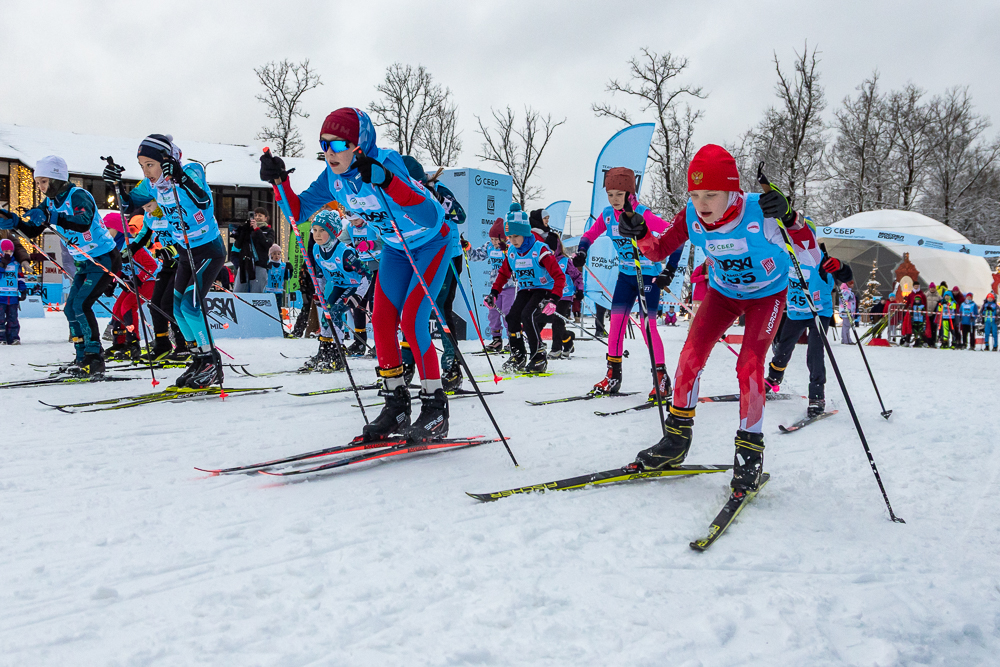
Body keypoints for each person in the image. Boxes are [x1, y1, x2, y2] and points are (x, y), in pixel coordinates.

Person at [259, 107, 452, 442]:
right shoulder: (332, 179)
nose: (329, 152)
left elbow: (429, 214)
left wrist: (388, 181)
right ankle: (396, 404)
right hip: (395, 248)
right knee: (380, 320)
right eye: (324, 144)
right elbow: (298, 212)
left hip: (430, 242)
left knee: (412, 320)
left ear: (359, 145)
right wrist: (280, 182)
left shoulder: (386, 163)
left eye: (338, 144)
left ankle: (435, 408)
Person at [616, 144, 799, 495]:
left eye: (711, 194)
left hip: (767, 294)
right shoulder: (691, 216)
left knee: (749, 364)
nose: (702, 203)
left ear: (732, 190)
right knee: (689, 358)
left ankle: (749, 455)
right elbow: (658, 250)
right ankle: (676, 441)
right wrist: (640, 233)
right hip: (723, 294)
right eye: (696, 194)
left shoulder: (761, 212)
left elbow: (807, 246)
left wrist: (791, 218)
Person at [105, 134, 227, 388]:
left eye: (150, 164)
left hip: (207, 250)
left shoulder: (190, 171)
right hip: (185, 253)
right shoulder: (151, 186)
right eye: (142, 165)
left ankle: (211, 362)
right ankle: (198, 357)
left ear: (166, 160)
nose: (146, 171)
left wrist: (180, 176)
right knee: (177, 307)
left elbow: (204, 201)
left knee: (192, 307)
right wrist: (116, 185)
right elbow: (128, 204)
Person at [1, 155, 121, 374]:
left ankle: (95, 358)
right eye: (38, 183)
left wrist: (51, 216)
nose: (40, 187)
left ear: (57, 178)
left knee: (81, 305)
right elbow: (34, 230)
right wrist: (16, 222)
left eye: (43, 182)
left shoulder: (79, 195)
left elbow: (83, 223)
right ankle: (81, 355)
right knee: (70, 309)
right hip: (84, 262)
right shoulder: (50, 203)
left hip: (104, 258)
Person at [571, 167, 675, 400]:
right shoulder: (608, 215)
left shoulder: (644, 214)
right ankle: (613, 375)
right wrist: (582, 251)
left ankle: (662, 380)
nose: (614, 200)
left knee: (648, 327)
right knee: (616, 323)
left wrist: (669, 269)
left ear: (630, 193)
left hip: (648, 275)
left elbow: (674, 234)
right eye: (610, 194)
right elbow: (589, 235)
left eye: (619, 194)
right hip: (626, 275)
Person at [765, 219, 853, 417]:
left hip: (818, 312)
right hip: (796, 312)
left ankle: (816, 395)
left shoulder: (821, 259)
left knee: (815, 353)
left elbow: (846, 275)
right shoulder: (786, 257)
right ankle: (773, 379)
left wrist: (840, 267)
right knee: (782, 348)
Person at [401, 155, 467, 390]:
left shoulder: (437, 189)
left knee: (439, 307)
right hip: (416, 255)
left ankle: (451, 367)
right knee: (409, 308)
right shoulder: (395, 193)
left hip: (447, 254)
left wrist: (439, 199)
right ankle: (405, 365)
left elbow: (460, 216)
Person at [486, 204, 565, 374]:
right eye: (510, 237)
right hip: (525, 289)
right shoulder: (512, 252)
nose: (513, 240)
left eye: (516, 236)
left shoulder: (539, 249)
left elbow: (559, 276)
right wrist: (493, 293)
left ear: (526, 233)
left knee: (527, 315)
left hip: (543, 289)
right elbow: (503, 274)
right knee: (512, 317)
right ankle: (518, 354)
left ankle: (538, 355)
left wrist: (554, 299)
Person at [303, 209, 369, 371]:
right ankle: (324, 351)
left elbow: (366, 276)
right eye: (315, 230)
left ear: (333, 232)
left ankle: (337, 354)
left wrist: (358, 296)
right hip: (338, 285)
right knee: (327, 315)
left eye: (322, 230)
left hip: (354, 286)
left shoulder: (345, 252)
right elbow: (320, 275)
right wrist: (320, 293)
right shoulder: (317, 250)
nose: (317, 234)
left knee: (336, 312)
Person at [127, 200, 184, 361]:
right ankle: (162, 345)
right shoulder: (150, 216)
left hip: (183, 262)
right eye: (144, 208)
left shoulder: (172, 212)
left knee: (169, 303)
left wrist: (171, 250)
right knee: (155, 304)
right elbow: (144, 234)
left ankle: (183, 346)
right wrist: (131, 249)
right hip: (167, 264)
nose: (147, 211)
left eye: (149, 206)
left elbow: (184, 236)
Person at [105, 212, 159, 361]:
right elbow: (118, 268)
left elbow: (152, 265)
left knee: (128, 305)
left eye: (108, 228)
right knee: (117, 308)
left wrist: (138, 279)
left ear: (118, 229)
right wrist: (113, 282)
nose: (105, 232)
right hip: (135, 282)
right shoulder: (113, 246)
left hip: (150, 281)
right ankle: (119, 343)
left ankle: (133, 343)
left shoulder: (131, 246)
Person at [467, 218, 515, 352]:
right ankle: (496, 339)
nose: (494, 242)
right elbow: (475, 256)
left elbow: (516, 259)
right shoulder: (488, 245)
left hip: (510, 285)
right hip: (495, 286)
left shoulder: (510, 245)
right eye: (492, 239)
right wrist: (468, 248)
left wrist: (506, 251)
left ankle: (513, 339)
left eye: (496, 239)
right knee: (493, 311)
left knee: (507, 312)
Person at [341, 211, 382, 355]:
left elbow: (384, 241)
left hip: (378, 267)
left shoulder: (373, 224)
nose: (353, 224)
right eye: (350, 221)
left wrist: (370, 244)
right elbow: (340, 241)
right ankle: (359, 342)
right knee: (358, 304)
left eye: (356, 220)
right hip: (362, 270)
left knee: (376, 305)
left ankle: (381, 343)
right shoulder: (350, 228)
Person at [546, 234, 584, 359]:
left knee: (557, 321)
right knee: (554, 322)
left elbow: (576, 276)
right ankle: (568, 341)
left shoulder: (565, 261)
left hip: (565, 295)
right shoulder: (544, 261)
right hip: (551, 295)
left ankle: (556, 349)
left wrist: (580, 290)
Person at [232, 208, 275, 293]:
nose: (257, 217)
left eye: (260, 215)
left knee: (256, 293)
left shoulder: (269, 231)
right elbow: (238, 245)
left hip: (259, 265)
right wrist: (243, 231)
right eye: (255, 215)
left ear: (266, 218)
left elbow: (267, 243)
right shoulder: (247, 229)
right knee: (238, 292)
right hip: (244, 265)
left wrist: (257, 230)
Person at [0, 238, 27, 344]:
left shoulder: (16, 263)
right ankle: (1, 338)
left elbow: (20, 277)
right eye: (6, 251)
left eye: (10, 251)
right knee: (0, 319)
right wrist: (3, 265)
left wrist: (23, 290)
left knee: (13, 318)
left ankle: (13, 337)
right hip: (1, 296)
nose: (8, 253)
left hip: (12, 296)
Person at [263, 243, 293, 311]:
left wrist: (290, 270)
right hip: (269, 291)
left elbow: (287, 277)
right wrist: (267, 267)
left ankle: (279, 319)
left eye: (278, 254)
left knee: (278, 308)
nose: (276, 256)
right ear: (270, 255)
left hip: (279, 292)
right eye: (274, 254)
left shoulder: (283, 265)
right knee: (269, 309)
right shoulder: (268, 264)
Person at [925, 282, 940, 347]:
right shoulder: (926, 295)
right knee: (928, 328)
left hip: (935, 315)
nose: (932, 289)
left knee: (934, 328)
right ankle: (928, 341)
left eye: (933, 288)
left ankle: (933, 341)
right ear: (929, 288)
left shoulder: (938, 296)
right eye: (931, 288)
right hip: (928, 314)